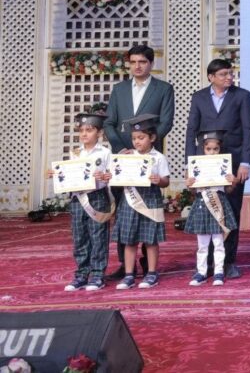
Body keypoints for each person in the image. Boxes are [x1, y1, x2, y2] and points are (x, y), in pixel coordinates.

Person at [102, 43, 174, 281]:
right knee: (124, 213)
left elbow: (166, 122)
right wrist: (121, 148)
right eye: (133, 62)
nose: (137, 66)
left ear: (151, 63)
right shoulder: (119, 89)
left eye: (142, 62)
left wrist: (146, 145)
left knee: (147, 211)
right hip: (123, 159)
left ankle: (148, 264)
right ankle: (127, 266)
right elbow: (109, 122)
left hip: (148, 160)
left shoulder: (163, 89)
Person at [184, 59, 250, 279]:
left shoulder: (242, 95)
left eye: (230, 73)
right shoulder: (199, 97)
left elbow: (248, 129)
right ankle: (206, 264)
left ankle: (228, 261)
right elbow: (191, 130)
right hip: (205, 163)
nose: (229, 77)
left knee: (231, 211)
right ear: (211, 77)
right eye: (223, 74)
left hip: (232, 162)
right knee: (207, 211)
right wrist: (189, 165)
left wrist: (245, 162)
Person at [47, 112, 113, 292]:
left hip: (97, 197)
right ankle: (81, 274)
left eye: (89, 130)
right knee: (79, 237)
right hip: (78, 199)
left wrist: (106, 176)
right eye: (81, 130)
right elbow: (71, 175)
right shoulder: (75, 153)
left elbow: (112, 175)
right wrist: (57, 174)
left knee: (98, 236)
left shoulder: (105, 153)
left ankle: (97, 275)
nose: (84, 134)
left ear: (99, 133)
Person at [114, 114, 170, 289]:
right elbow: (117, 177)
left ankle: (151, 273)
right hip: (130, 201)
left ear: (151, 138)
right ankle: (129, 274)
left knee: (150, 239)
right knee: (129, 239)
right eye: (134, 138)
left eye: (141, 137)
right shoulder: (128, 156)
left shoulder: (159, 158)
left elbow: (166, 181)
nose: (137, 142)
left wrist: (158, 180)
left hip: (150, 198)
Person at [184, 129, 237, 286]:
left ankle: (218, 271)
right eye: (208, 149)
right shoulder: (196, 165)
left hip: (219, 203)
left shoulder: (224, 165)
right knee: (202, 244)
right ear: (203, 149)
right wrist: (189, 184)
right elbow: (193, 191)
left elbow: (229, 190)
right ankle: (201, 272)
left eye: (215, 149)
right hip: (202, 204)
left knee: (219, 242)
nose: (212, 152)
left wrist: (232, 181)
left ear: (220, 149)